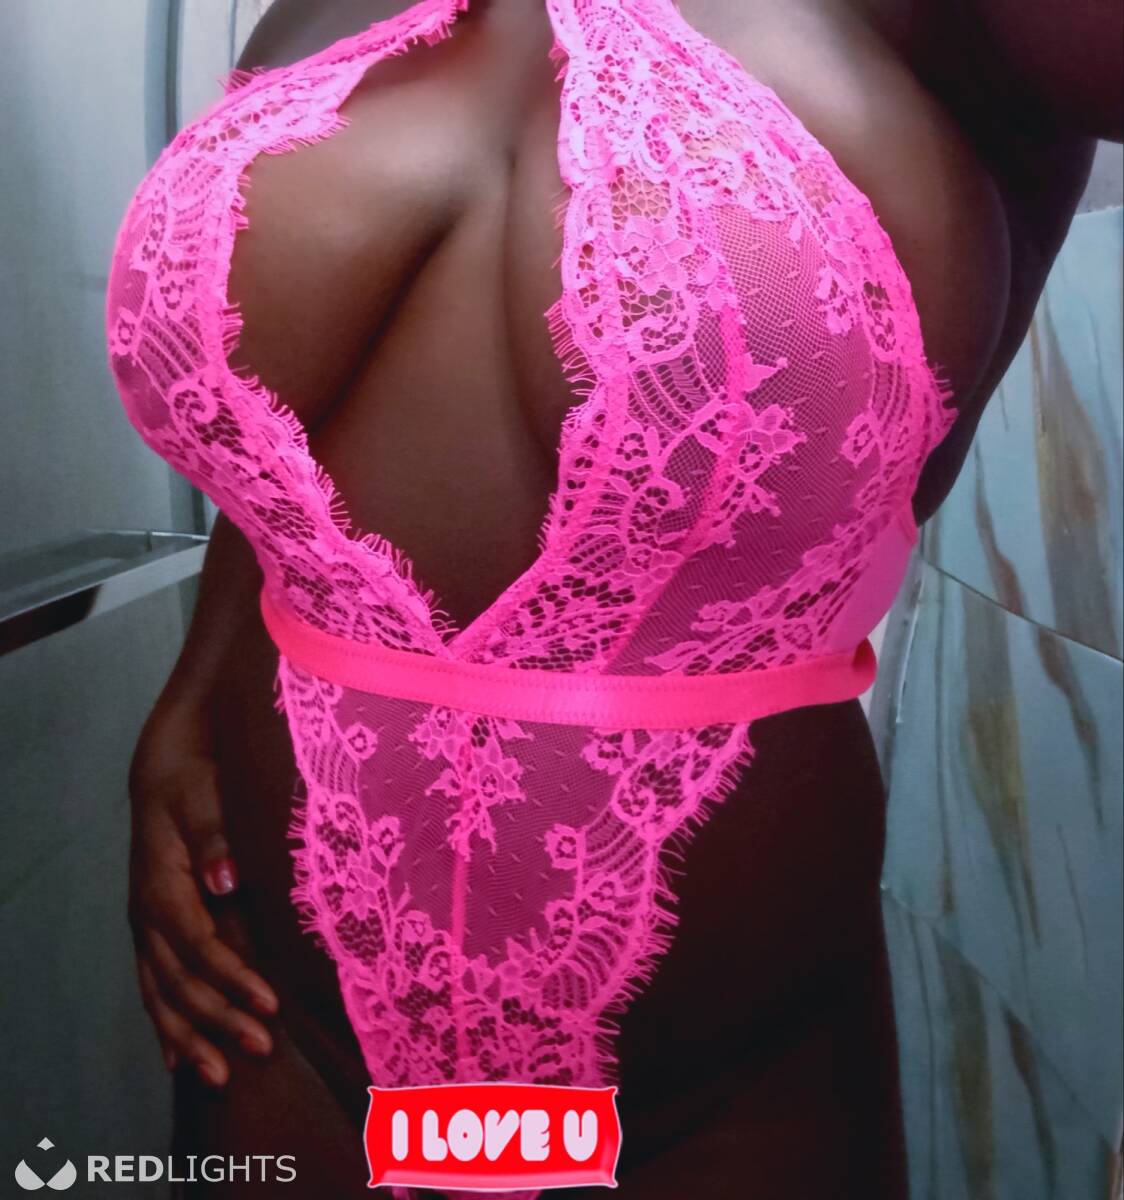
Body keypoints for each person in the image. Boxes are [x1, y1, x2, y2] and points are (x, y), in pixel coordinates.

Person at [117, 1, 1121, 1196]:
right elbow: (280, 428)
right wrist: (190, 693)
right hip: (280, 1033)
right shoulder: (325, 11)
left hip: (720, 1101)